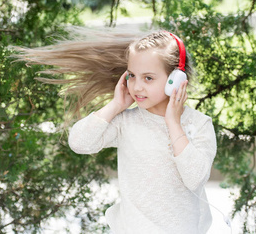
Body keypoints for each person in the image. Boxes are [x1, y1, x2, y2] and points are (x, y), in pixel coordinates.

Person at [15, 27, 217, 233]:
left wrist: (173, 123)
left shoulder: (199, 124)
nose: (137, 87)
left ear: (177, 80)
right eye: (132, 76)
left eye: (148, 78)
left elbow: (195, 179)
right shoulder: (126, 123)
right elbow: (79, 142)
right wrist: (115, 105)